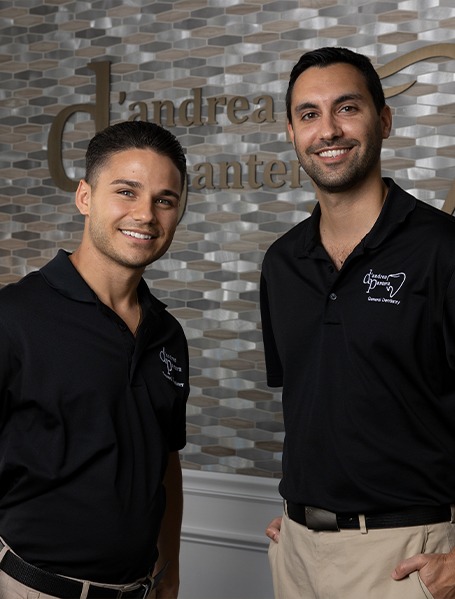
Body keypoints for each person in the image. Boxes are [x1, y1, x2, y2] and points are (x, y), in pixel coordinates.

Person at [260, 46, 455, 599]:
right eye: (309, 114)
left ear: (383, 119)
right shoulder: (281, 264)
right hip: (298, 552)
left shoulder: (441, 250)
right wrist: (303, 513)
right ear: (293, 132)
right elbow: (317, 404)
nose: (328, 130)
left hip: (405, 558)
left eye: (347, 108)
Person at [0, 120, 190, 599]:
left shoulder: (168, 335)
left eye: (164, 200)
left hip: (139, 589)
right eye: (126, 191)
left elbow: (165, 463)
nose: (146, 215)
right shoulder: (15, 317)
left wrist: (170, 572)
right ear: (84, 197)